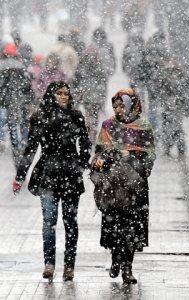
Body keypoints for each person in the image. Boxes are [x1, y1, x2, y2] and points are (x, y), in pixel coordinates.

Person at [12, 81, 91, 281]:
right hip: (48, 174)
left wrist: (81, 164)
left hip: (70, 176)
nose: (64, 97)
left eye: (67, 93)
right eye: (60, 93)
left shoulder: (75, 116)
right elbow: (31, 148)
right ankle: (49, 263)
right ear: (52, 95)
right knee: (49, 221)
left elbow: (85, 142)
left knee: (70, 221)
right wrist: (20, 176)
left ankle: (69, 265)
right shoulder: (40, 117)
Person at [91, 88, 156, 284]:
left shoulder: (143, 126)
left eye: (122, 105)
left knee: (132, 228)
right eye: (115, 106)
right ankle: (115, 258)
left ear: (131, 105)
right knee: (114, 226)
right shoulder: (108, 125)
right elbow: (99, 151)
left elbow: (150, 154)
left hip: (135, 187)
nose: (118, 109)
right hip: (112, 186)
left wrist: (134, 157)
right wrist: (103, 159)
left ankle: (128, 267)